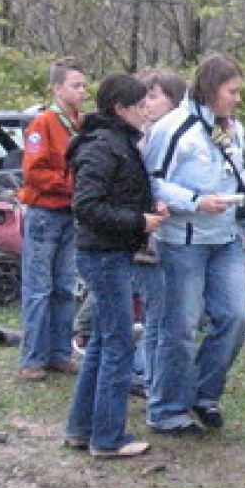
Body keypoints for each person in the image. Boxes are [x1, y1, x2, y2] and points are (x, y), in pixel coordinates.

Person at [144, 53, 245, 436]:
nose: (237, 99)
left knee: (235, 317)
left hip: (226, 238)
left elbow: (241, 182)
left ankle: (204, 393)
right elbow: (153, 182)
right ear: (212, 90)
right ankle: (166, 408)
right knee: (179, 327)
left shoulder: (234, 131)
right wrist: (195, 202)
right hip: (184, 241)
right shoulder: (173, 127)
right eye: (232, 92)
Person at [62, 75, 168, 459]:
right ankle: (108, 437)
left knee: (105, 344)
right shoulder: (103, 146)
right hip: (103, 256)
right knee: (119, 344)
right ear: (120, 109)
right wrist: (138, 222)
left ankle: (81, 428)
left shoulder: (120, 142)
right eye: (140, 105)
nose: (146, 111)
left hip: (113, 252)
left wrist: (147, 212)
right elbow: (86, 207)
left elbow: (119, 195)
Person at [17, 59, 88, 381]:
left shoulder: (80, 124)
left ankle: (59, 354)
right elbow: (34, 171)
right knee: (39, 287)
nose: (82, 91)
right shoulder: (44, 124)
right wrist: (72, 184)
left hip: (69, 213)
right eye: (76, 85)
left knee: (64, 287)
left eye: (84, 86)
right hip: (45, 212)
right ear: (58, 88)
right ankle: (32, 359)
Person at [134, 69, 188, 402]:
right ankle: (153, 380)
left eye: (154, 96)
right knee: (158, 313)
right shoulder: (145, 136)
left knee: (165, 313)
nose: (147, 104)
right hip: (149, 237)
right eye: (144, 97)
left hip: (179, 234)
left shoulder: (185, 134)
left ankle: (153, 376)